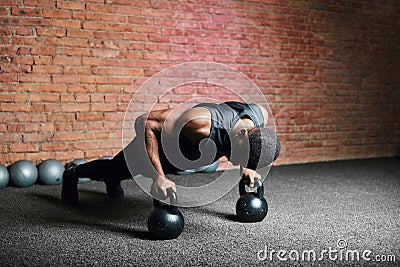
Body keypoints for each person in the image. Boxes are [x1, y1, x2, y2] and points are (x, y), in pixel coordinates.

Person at [61, 101, 280, 205]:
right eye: (238, 155)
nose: (233, 161)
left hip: (185, 158)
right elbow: (145, 121)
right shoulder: (201, 124)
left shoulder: (258, 117)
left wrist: (247, 168)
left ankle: (113, 179)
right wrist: (158, 176)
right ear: (241, 134)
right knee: (113, 170)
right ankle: (73, 172)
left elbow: (250, 145)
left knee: (116, 173)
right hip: (158, 151)